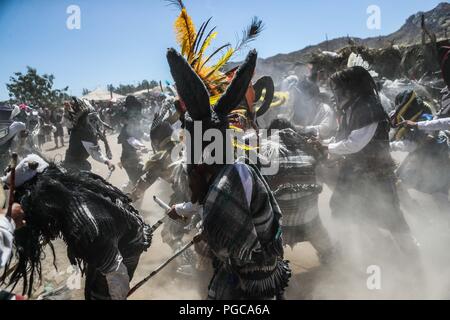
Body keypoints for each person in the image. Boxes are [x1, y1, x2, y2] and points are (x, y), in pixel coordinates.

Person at [167, 48, 290, 300]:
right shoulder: (225, 171)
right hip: (246, 264)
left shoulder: (231, 180)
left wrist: (206, 234)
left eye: (192, 166)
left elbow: (222, 232)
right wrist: (181, 210)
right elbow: (203, 203)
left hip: (253, 273)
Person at [1, 154, 152, 299]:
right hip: (114, 235)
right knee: (94, 282)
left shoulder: (83, 228)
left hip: (127, 243)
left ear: (37, 196)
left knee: (100, 293)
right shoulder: (65, 187)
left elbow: (117, 273)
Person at [324, 66, 422, 277]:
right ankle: (377, 256)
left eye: (339, 88)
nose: (336, 93)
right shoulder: (352, 108)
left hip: (376, 176)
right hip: (355, 176)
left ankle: (416, 266)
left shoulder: (368, 107)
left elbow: (355, 143)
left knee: (394, 221)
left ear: (350, 88)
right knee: (347, 211)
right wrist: (323, 144)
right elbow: (340, 140)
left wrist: (327, 149)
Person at [264, 118, 334, 263]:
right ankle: (331, 258)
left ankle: (270, 264)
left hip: (280, 222)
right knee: (328, 249)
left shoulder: (264, 146)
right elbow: (325, 165)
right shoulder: (306, 145)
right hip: (310, 218)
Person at [63, 97, 114, 172]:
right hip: (74, 166)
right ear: (84, 120)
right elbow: (96, 153)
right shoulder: (82, 132)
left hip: (78, 163)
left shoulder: (85, 129)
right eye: (91, 119)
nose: (94, 121)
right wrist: (107, 162)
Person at [117, 96, 148, 187]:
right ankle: (127, 193)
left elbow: (142, 135)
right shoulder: (126, 129)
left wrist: (153, 136)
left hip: (135, 158)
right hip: (129, 161)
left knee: (139, 181)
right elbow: (131, 140)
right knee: (137, 185)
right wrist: (142, 147)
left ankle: (128, 188)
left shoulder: (135, 126)